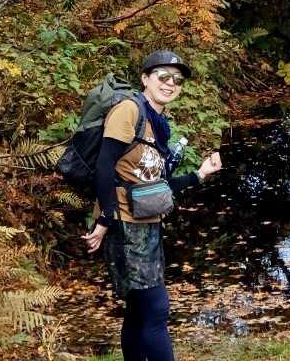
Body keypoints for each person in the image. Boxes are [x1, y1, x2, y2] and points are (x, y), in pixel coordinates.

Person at [81, 50, 223, 361]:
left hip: (146, 223)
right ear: (145, 78)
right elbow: (104, 167)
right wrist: (105, 220)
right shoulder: (129, 110)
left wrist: (200, 175)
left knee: (138, 310)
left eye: (177, 80)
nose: (171, 84)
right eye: (163, 76)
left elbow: (155, 186)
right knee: (156, 310)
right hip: (124, 224)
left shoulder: (158, 123)